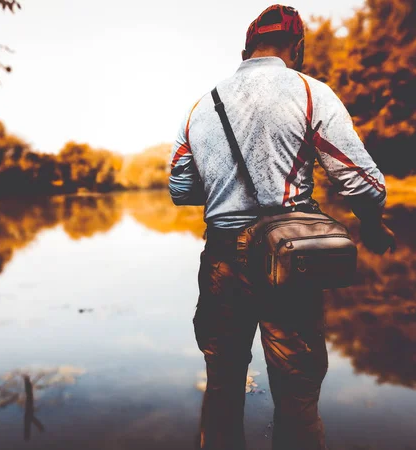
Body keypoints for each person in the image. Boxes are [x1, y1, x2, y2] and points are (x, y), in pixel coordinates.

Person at [168, 4, 396, 450]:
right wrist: (371, 224)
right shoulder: (311, 92)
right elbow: (363, 184)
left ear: (245, 50)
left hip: (221, 261)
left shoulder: (201, 105)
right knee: (296, 396)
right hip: (289, 261)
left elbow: (180, 188)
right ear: (298, 47)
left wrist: (222, 191)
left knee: (221, 388)